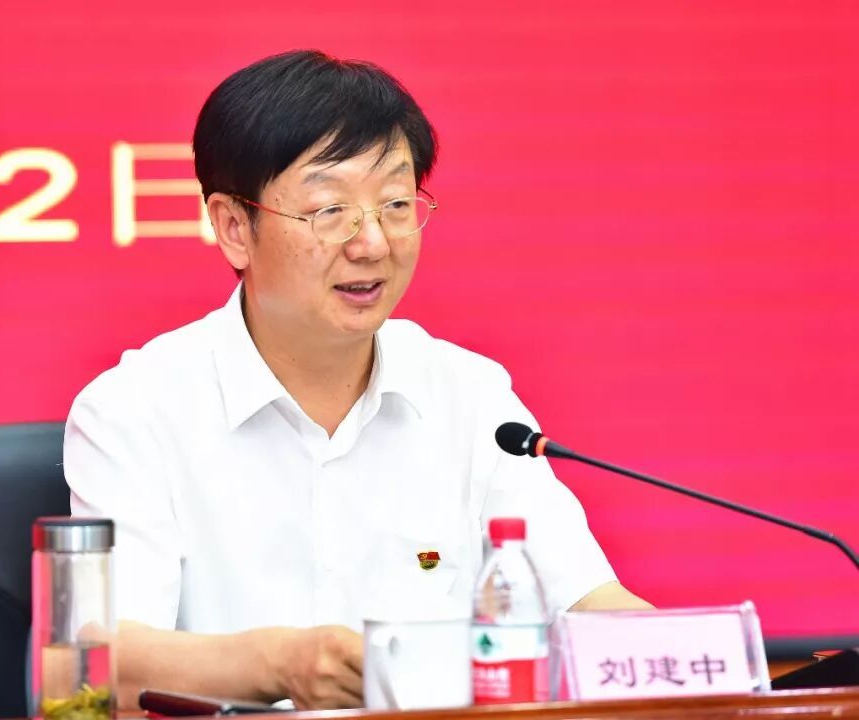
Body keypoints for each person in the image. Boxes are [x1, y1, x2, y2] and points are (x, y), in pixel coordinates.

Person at [63, 49, 650, 710]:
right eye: (329, 210)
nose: (372, 242)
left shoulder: (470, 396)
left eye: (395, 204)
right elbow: (97, 661)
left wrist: (687, 660)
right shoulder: (135, 409)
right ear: (233, 227)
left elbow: (586, 603)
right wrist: (278, 664)